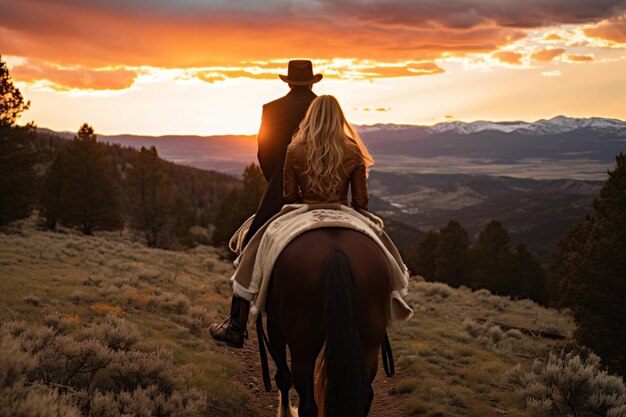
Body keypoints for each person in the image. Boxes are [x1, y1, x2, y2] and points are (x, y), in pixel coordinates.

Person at [209, 60, 321, 348]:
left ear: (288, 82)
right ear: (312, 82)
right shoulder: (325, 108)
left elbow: (265, 156)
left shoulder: (271, 109)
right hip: (326, 191)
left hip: (281, 193)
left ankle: (236, 325)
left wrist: (278, 184)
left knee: (250, 246)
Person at [283, 95, 373, 211]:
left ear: (312, 116)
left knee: (267, 228)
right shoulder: (353, 150)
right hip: (341, 209)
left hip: (307, 209)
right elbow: (361, 201)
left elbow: (290, 196)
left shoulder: (294, 149)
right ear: (339, 117)